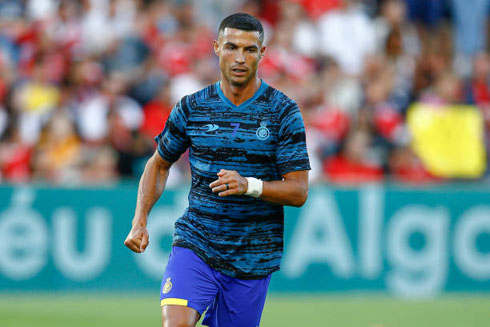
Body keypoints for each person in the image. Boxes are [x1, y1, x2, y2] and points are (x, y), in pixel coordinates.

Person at [124, 13, 310, 327]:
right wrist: (140, 220)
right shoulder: (192, 107)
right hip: (196, 242)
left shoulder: (283, 112)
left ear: (262, 53)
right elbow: (159, 163)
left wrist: (249, 185)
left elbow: (298, 191)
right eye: (231, 47)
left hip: (252, 255)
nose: (240, 58)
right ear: (216, 47)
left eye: (250, 50)